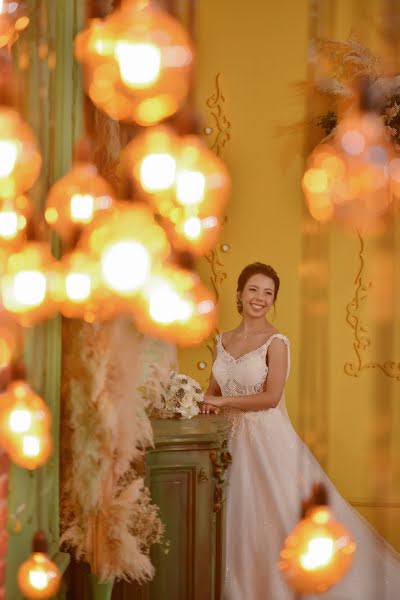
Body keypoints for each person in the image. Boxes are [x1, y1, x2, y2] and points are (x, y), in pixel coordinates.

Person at [201, 262, 400, 599]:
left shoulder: (276, 342)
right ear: (239, 294)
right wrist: (197, 404)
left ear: (274, 300)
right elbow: (213, 393)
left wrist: (219, 404)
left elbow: (271, 397)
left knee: (280, 516)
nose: (259, 298)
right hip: (226, 443)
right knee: (236, 522)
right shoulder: (223, 341)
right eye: (253, 290)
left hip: (265, 441)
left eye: (268, 293)